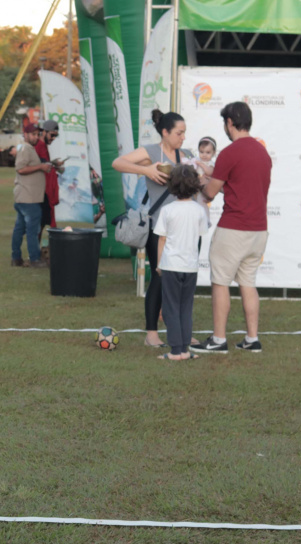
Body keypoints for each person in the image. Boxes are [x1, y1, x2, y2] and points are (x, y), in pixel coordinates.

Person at [192, 101, 271, 354]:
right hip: (259, 229)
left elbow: (210, 193)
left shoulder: (229, 153)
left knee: (220, 282)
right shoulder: (263, 153)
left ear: (229, 123)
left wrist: (200, 182)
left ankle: (218, 340)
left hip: (234, 227)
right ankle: (252, 339)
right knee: (248, 283)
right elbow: (240, 187)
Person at [112, 109, 193, 348]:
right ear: (165, 132)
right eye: (179, 133)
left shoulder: (187, 155)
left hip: (185, 228)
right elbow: (117, 163)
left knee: (183, 279)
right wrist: (146, 170)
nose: (183, 137)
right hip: (159, 228)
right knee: (159, 278)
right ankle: (152, 334)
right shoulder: (151, 152)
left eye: (185, 133)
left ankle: (182, 331)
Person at [154, 165, 208, 361]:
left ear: (172, 185)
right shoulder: (200, 211)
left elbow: (162, 239)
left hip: (170, 266)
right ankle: (185, 349)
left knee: (171, 308)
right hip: (190, 267)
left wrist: (159, 264)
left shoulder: (167, 210)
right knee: (186, 308)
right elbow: (200, 235)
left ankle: (176, 351)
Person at [12, 123, 55, 268]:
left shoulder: (29, 148)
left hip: (26, 196)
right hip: (29, 198)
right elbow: (20, 169)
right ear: (25, 134)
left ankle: (16, 258)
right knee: (33, 230)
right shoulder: (26, 149)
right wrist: (41, 167)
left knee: (19, 229)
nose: (36, 137)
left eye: (37, 134)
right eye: (33, 134)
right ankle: (35, 259)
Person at [35, 120, 65, 236]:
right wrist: (53, 166)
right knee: (40, 223)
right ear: (44, 132)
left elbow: (44, 164)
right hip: (41, 191)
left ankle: (37, 246)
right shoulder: (38, 146)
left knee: (43, 222)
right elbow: (37, 165)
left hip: (45, 191)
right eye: (52, 135)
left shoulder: (43, 146)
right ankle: (35, 247)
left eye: (55, 136)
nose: (53, 138)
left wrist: (54, 165)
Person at [192, 136, 217, 227]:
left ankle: (205, 221)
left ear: (214, 153)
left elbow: (209, 172)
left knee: (202, 203)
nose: (204, 155)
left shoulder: (211, 163)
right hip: (196, 187)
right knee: (194, 203)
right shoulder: (197, 160)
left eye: (208, 152)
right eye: (201, 152)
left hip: (205, 188)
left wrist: (201, 164)